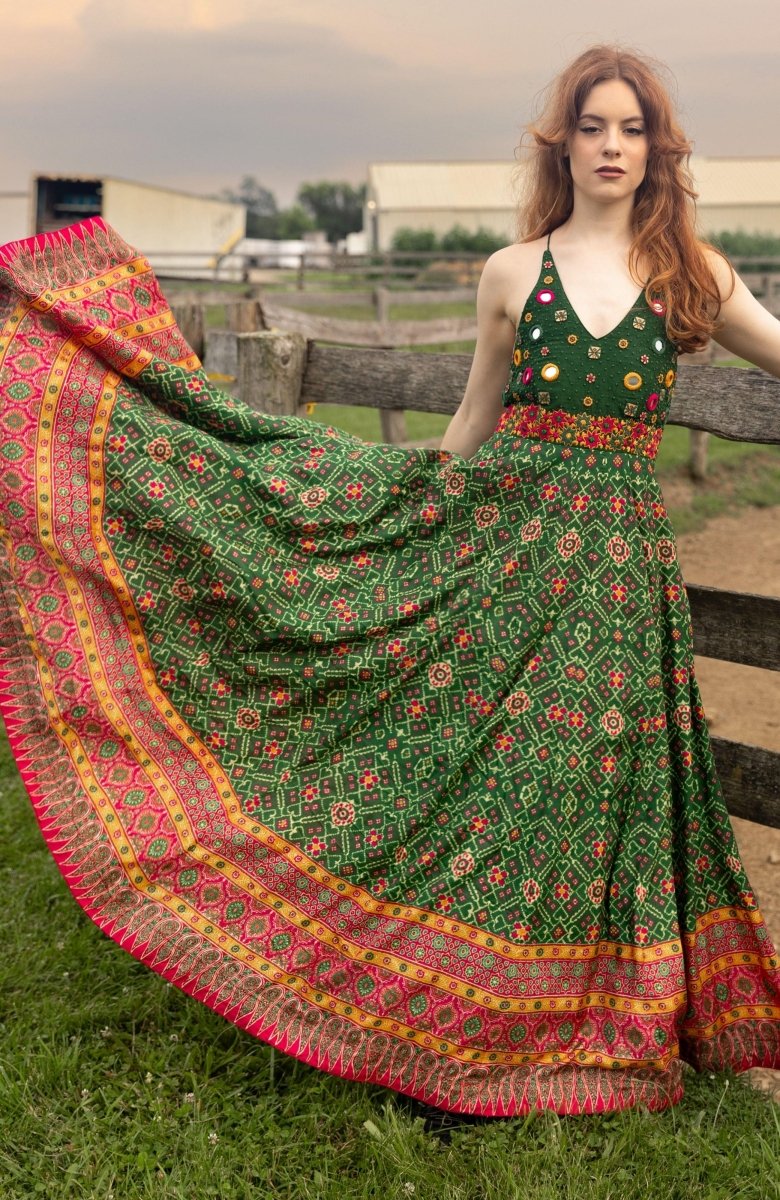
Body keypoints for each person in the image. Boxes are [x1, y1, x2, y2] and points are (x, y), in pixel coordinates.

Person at [0, 44, 777, 1122]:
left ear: (659, 148)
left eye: (631, 129)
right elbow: (468, 426)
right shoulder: (514, 271)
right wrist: (383, 512)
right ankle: (458, 1025)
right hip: (502, 561)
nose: (612, 146)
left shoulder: (694, 272)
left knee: (582, 796)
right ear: (567, 144)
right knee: (486, 792)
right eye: (593, 127)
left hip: (616, 577)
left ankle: (572, 1021)